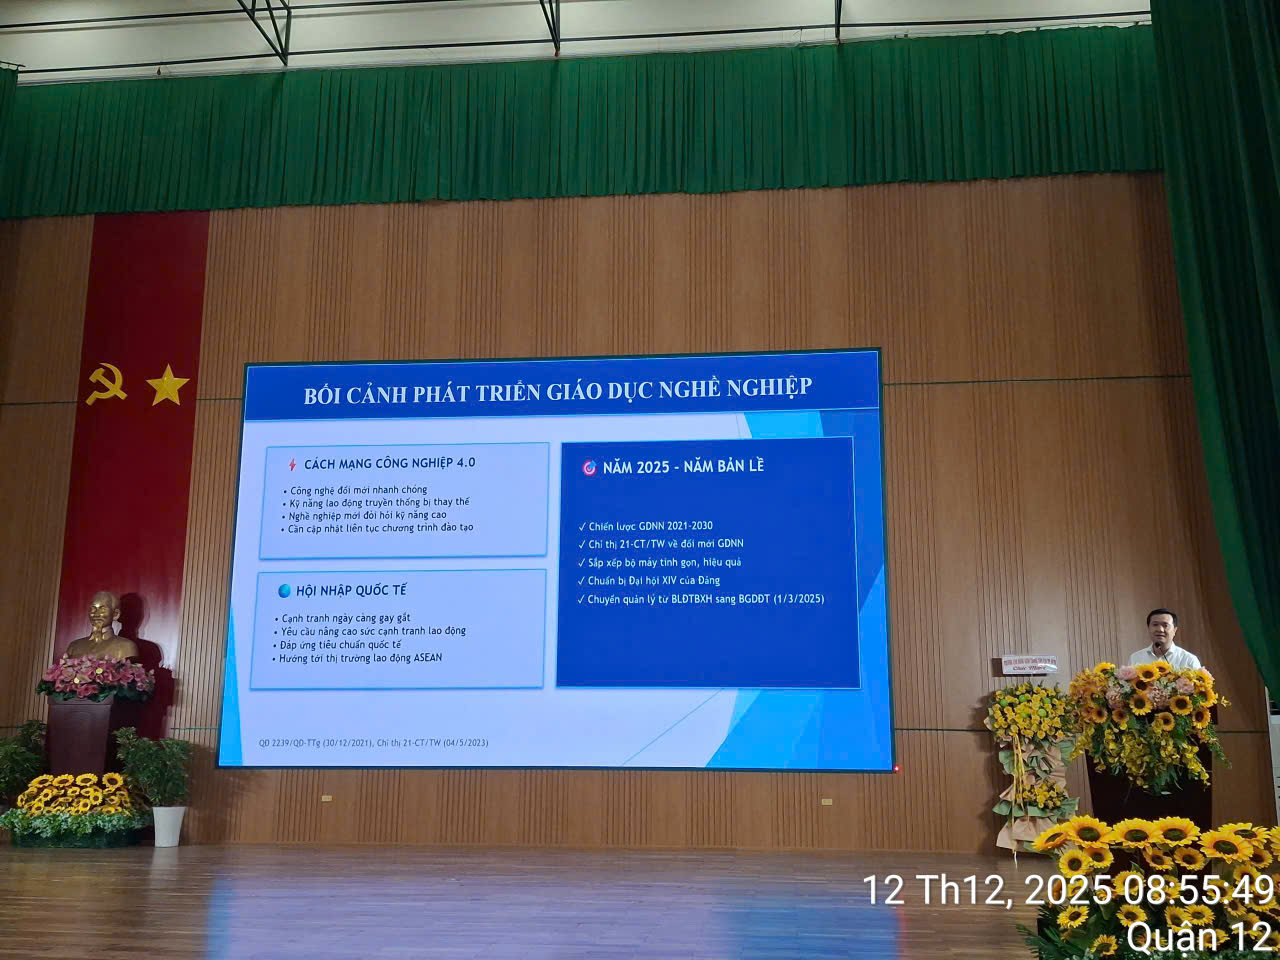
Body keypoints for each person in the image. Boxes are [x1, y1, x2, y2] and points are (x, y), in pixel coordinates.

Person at [64, 591, 139, 661]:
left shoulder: (126, 647)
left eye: (102, 609)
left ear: (115, 614)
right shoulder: (74, 647)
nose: (96, 614)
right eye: (93, 608)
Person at [1127, 608, 1201, 670]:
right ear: (1148, 628)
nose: (1160, 629)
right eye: (1155, 624)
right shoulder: (1135, 658)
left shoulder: (1188, 660)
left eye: (1165, 625)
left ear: (1175, 630)